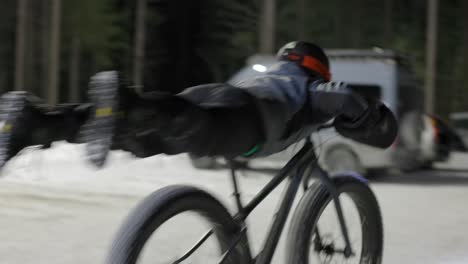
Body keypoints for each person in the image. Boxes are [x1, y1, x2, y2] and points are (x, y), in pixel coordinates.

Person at [0, 41, 397, 168]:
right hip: (249, 119)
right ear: (318, 69)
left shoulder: (271, 75)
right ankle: (130, 102)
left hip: (218, 93)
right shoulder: (311, 87)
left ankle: (41, 122)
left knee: (145, 136)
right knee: (193, 130)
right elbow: (345, 99)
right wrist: (373, 120)